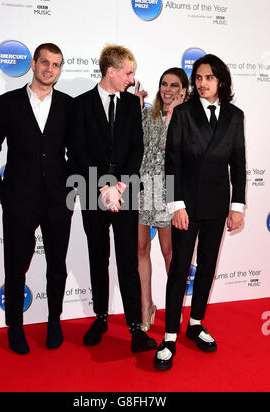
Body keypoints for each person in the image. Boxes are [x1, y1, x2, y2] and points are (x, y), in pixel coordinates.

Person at [154, 54, 246, 371]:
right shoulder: (183, 113)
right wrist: (176, 205)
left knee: (207, 265)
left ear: (220, 80)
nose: (202, 83)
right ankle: (169, 335)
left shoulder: (235, 116)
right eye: (198, 77)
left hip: (218, 204)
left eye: (208, 77)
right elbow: (172, 163)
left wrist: (238, 207)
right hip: (187, 205)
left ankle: (195, 323)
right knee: (180, 266)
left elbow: (240, 164)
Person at [0, 43, 73, 354]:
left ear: (61, 70)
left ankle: (54, 322)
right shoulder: (8, 102)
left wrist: (71, 189)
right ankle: (15, 327)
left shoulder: (67, 105)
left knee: (57, 264)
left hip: (58, 199)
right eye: (45, 62)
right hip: (19, 198)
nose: (50, 69)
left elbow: (75, 153)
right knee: (15, 263)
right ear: (33, 64)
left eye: (56, 65)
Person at [72, 44, 157, 353]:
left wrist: (118, 186)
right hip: (93, 192)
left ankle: (135, 326)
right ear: (111, 71)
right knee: (98, 256)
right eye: (128, 72)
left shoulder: (134, 106)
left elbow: (137, 149)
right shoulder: (80, 105)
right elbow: (77, 152)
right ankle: (101, 318)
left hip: (125, 191)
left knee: (128, 259)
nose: (131, 78)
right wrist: (101, 187)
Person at [136, 68, 189, 332]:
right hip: (143, 189)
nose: (167, 89)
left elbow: (170, 151)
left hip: (169, 192)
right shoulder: (148, 114)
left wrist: (172, 116)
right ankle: (147, 306)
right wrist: (135, 108)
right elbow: (139, 147)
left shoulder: (188, 118)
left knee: (169, 252)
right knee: (141, 250)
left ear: (183, 90)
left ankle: (175, 306)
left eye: (174, 85)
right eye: (164, 84)